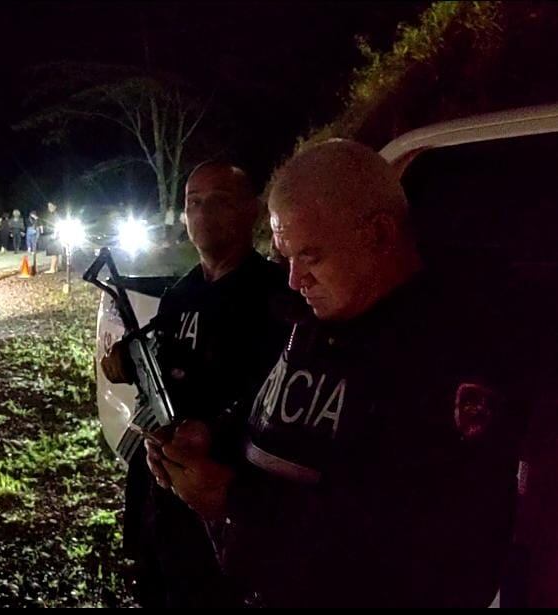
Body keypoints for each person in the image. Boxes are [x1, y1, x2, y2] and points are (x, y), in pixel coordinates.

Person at [146, 140, 522, 607]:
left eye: (311, 256)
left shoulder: (447, 355)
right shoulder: (320, 319)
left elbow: (430, 546)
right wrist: (214, 437)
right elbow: (285, 415)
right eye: (285, 257)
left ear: (380, 236)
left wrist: (236, 500)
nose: (294, 280)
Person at [101, 161, 295, 607]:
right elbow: (167, 363)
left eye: (220, 201)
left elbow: (278, 396)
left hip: (226, 498)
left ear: (253, 211)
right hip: (164, 487)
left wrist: (217, 433)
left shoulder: (273, 294)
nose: (203, 213)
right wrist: (129, 362)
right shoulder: (181, 292)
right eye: (193, 202)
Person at [42, 202, 61, 274]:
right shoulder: (51, 215)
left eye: (51, 206)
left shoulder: (56, 215)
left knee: (54, 252)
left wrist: (55, 234)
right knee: (54, 252)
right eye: (48, 206)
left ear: (55, 206)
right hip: (52, 234)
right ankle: (55, 268)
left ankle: (52, 268)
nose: (49, 207)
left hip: (54, 235)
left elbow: (57, 225)